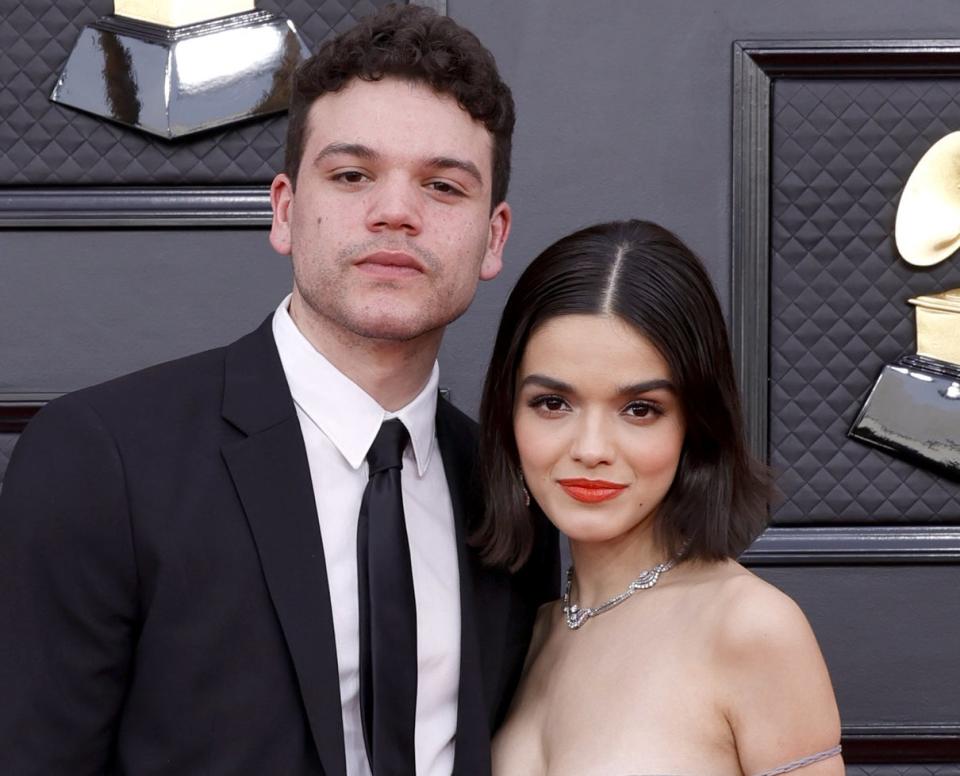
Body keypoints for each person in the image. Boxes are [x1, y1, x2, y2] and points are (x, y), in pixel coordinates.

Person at [0, 6, 556, 775]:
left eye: (442, 185)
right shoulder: (102, 460)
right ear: (286, 211)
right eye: (353, 174)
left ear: (493, 237)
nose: (396, 211)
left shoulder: (514, 493)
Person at [476, 220, 843, 776]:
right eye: (553, 403)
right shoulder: (532, 628)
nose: (591, 449)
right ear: (509, 414)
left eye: (639, 409)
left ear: (694, 424)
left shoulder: (751, 627)